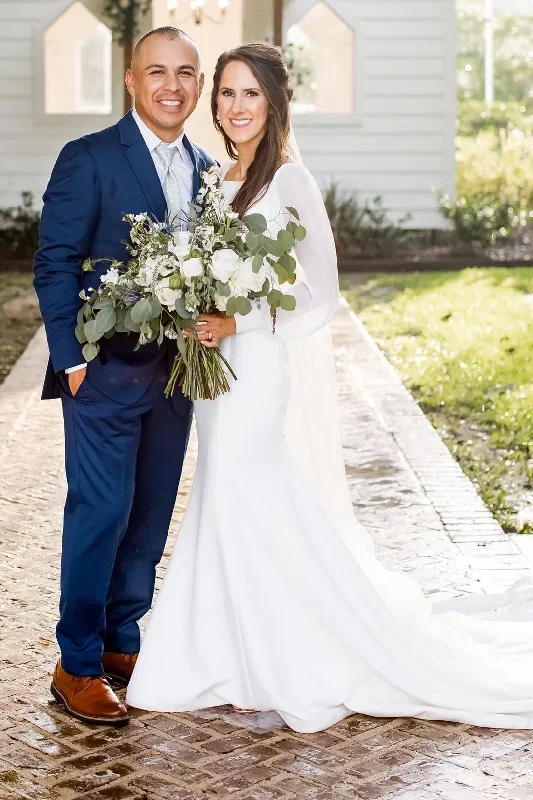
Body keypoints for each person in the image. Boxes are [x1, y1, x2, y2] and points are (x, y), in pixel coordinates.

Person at [127, 42, 533, 734]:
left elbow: (321, 293)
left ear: (274, 102)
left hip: (255, 368)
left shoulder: (289, 178)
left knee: (245, 494)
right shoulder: (214, 176)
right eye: (225, 93)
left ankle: (274, 658)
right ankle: (230, 652)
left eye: (249, 93)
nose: (234, 106)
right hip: (214, 375)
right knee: (226, 502)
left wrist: (239, 319)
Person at [33, 27, 214, 726]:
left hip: (175, 381)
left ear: (196, 85)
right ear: (131, 82)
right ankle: (74, 663)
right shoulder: (90, 158)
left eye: (186, 73)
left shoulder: (208, 170)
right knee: (100, 515)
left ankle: (121, 642)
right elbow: (53, 262)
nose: (173, 86)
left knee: (147, 518)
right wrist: (71, 362)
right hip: (103, 375)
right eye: (157, 72)